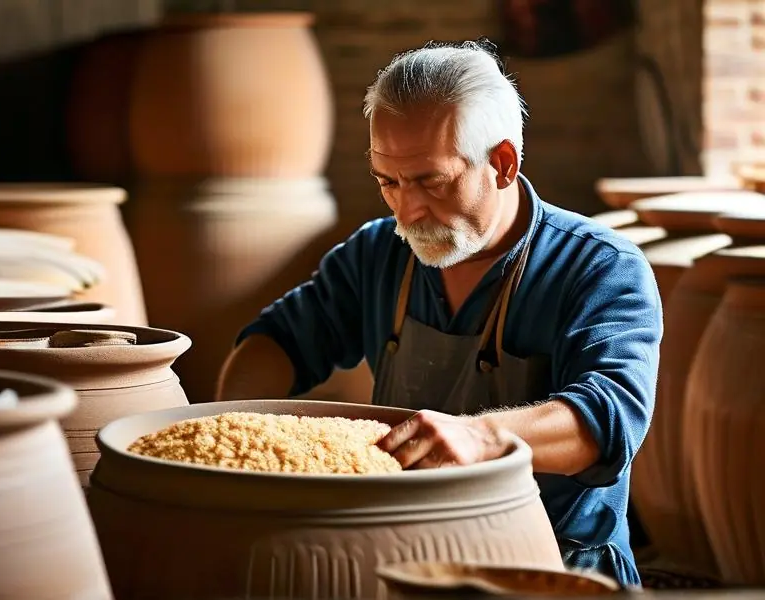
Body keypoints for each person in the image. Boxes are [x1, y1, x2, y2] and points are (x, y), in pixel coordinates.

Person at [216, 40, 662, 587]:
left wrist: (483, 437)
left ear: (502, 163)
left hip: (556, 566)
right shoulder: (378, 253)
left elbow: (607, 423)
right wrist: (231, 443)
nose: (408, 209)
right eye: (388, 182)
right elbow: (277, 342)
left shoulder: (598, 268)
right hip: (404, 555)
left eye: (431, 181)